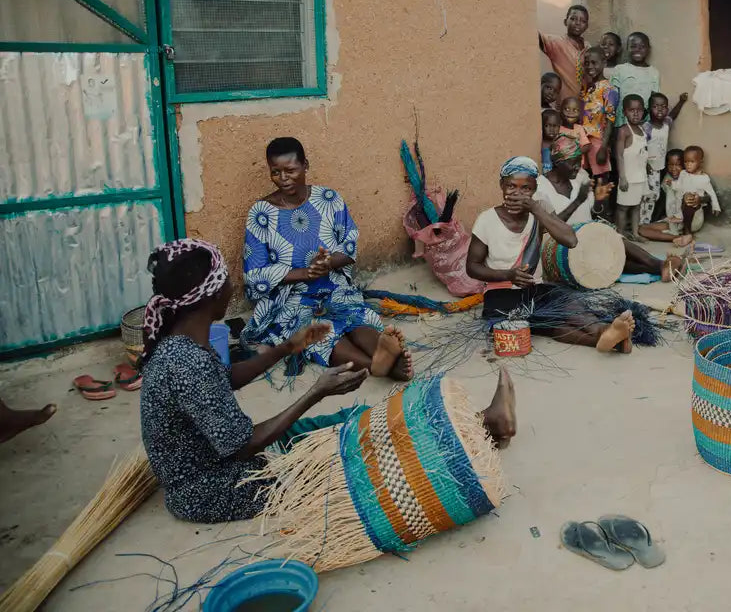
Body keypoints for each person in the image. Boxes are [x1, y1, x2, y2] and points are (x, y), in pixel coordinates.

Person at [138, 238, 516, 524]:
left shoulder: (180, 343)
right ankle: (486, 423)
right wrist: (316, 392)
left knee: (350, 423)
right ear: (211, 295)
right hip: (217, 489)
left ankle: (479, 421)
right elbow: (242, 446)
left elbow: (226, 379)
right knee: (365, 458)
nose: (231, 287)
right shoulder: (185, 361)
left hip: (215, 465)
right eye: (224, 281)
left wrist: (288, 347)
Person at [242, 138, 410, 378]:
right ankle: (381, 367)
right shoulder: (261, 213)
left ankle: (384, 352)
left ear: (305, 166)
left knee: (355, 315)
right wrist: (305, 273)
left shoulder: (329, 199)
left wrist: (328, 263)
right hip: (291, 297)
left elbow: (349, 246)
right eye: (275, 172)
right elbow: (254, 275)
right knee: (318, 332)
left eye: (290, 170)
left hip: (333, 286)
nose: (283, 178)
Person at [466, 157, 637, 353]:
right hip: (500, 294)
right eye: (511, 186)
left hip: (534, 289)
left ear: (534, 188)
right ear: (501, 185)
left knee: (566, 301)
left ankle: (605, 331)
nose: (518, 194)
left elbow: (570, 240)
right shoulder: (487, 220)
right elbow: (472, 267)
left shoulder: (539, 210)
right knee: (547, 322)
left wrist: (537, 209)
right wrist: (508, 274)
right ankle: (610, 338)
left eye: (526, 188)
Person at [536, 135, 683, 281]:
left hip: (588, 236)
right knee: (600, 256)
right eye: (572, 163)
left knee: (612, 239)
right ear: (557, 162)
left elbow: (594, 214)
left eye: (579, 162)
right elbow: (548, 227)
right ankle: (661, 265)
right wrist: (578, 201)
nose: (577, 167)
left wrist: (600, 201)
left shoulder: (580, 178)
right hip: (562, 246)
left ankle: (660, 266)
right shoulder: (541, 187)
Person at [641, 146, 719, 246]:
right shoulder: (668, 179)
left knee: (688, 196)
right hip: (674, 219)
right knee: (642, 229)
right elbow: (663, 200)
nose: (674, 169)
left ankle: (687, 233)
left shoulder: (698, 178)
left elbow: (708, 195)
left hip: (691, 220)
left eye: (679, 165)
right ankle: (679, 238)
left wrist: (701, 200)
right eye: (670, 165)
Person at [641, 90, 688, 226]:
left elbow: (673, 114)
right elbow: (641, 147)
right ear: (649, 109)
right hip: (650, 168)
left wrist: (681, 101)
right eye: (656, 106)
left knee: (656, 194)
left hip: (661, 166)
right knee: (649, 196)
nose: (660, 109)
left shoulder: (666, 123)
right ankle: (643, 223)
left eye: (663, 106)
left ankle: (649, 220)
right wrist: (646, 164)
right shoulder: (647, 127)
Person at [578, 46, 617, 185]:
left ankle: (602, 207)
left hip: (598, 141)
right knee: (585, 180)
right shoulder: (586, 87)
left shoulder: (609, 89)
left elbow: (610, 120)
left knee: (602, 181)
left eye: (594, 63)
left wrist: (603, 148)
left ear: (604, 63)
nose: (590, 66)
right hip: (583, 140)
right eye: (587, 63)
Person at [614, 95, 649, 242]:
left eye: (639, 110)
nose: (635, 113)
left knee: (636, 206)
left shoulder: (642, 130)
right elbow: (619, 155)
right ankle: (620, 234)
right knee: (623, 207)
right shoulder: (624, 131)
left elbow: (643, 153)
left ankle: (635, 233)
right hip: (627, 177)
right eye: (631, 110)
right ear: (624, 112)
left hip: (640, 176)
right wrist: (622, 177)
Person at [609, 32, 661, 128]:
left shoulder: (654, 73)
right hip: (621, 124)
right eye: (633, 46)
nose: (638, 49)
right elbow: (612, 99)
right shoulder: (620, 70)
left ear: (648, 49)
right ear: (627, 48)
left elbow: (653, 100)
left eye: (642, 46)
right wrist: (611, 126)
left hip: (644, 125)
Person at [539, 5, 589, 101]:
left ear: (587, 26)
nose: (578, 23)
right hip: (563, 105)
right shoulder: (556, 43)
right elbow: (534, 35)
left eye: (583, 21)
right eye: (573, 19)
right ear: (565, 22)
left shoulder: (589, 49)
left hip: (585, 107)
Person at [541, 108, 562, 174]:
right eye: (547, 125)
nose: (551, 129)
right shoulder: (540, 142)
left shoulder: (559, 143)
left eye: (555, 126)